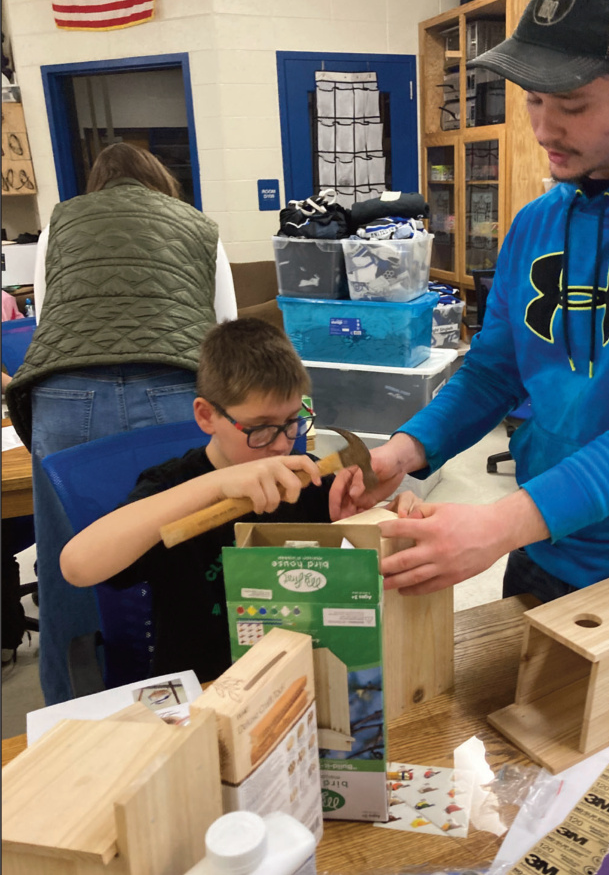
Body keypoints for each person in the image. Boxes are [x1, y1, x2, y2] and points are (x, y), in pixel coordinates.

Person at [330, 0, 609, 737]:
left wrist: (498, 520)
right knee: (530, 812)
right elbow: (492, 373)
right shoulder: (537, 220)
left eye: (574, 103)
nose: (545, 128)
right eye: (531, 99)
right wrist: (402, 451)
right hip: (540, 553)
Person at [6, 142, 237, 704]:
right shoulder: (198, 226)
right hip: (177, 388)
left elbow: (46, 314)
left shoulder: (61, 221)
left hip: (67, 393)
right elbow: (227, 333)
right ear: (161, 182)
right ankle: (204, 702)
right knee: (185, 553)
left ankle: (75, 719)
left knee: (70, 567)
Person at [59, 318, 414, 683]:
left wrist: (380, 523)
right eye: (260, 427)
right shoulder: (171, 486)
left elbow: (343, 587)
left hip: (300, 676)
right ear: (206, 415)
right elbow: (77, 565)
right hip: (206, 689)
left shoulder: (307, 476)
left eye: (293, 420)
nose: (280, 443)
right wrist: (216, 485)